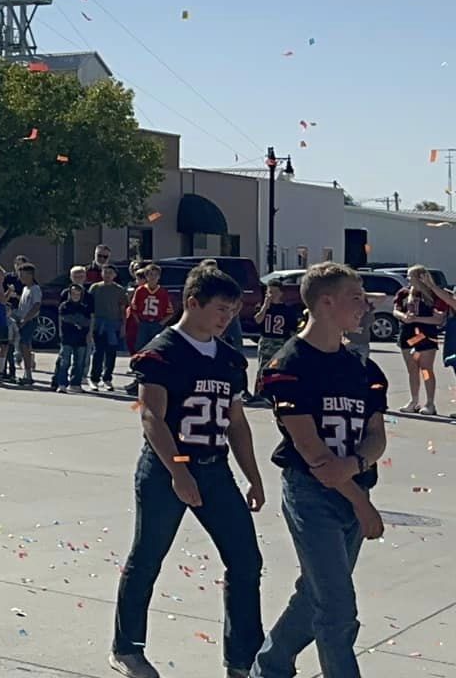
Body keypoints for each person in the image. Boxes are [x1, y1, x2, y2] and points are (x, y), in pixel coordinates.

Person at [109, 264, 265, 678]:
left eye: (233, 310)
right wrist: (179, 471)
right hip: (166, 469)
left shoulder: (231, 359)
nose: (226, 317)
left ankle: (242, 659)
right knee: (148, 557)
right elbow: (151, 419)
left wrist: (254, 475)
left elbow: (237, 422)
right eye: (219, 308)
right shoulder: (162, 351)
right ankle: (127, 648)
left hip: (215, 469)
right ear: (192, 303)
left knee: (246, 560)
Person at [254, 261, 388, 678]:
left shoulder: (363, 369)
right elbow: (312, 453)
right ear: (326, 303)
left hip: (353, 489)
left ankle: (270, 667)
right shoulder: (288, 366)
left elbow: (376, 435)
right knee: (337, 608)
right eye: (355, 297)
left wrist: (358, 464)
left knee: (316, 592)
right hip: (313, 495)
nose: (365, 305)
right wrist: (361, 503)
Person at [397, 265, 446, 413]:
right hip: (407, 335)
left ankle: (430, 403)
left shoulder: (434, 296)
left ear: (421, 278)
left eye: (410, 276)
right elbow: (396, 310)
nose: (408, 279)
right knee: (412, 370)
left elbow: (438, 319)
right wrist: (404, 317)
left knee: (426, 369)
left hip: (425, 337)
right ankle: (414, 400)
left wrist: (416, 318)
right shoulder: (404, 293)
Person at [248, 278, 303, 407]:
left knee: (277, 367)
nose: (271, 295)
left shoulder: (287, 310)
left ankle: (274, 393)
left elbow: (293, 329)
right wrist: (265, 307)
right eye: (269, 292)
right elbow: (257, 320)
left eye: (274, 292)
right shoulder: (262, 307)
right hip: (266, 340)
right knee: (262, 366)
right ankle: (258, 394)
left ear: (280, 293)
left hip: (280, 341)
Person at [88, 264, 129, 393]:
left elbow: (123, 309)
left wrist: (123, 325)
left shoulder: (119, 290)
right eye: (105, 272)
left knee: (111, 353)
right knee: (98, 352)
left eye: (110, 273)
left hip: (114, 324)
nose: (107, 275)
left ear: (114, 275)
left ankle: (107, 378)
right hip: (98, 324)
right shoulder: (95, 288)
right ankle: (94, 379)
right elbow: (89, 307)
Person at [54, 271, 92, 393]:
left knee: (79, 362)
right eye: (73, 294)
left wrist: (87, 332)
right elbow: (63, 318)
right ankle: (61, 384)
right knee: (64, 361)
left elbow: (88, 321)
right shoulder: (64, 306)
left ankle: (75, 384)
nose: (75, 296)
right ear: (69, 294)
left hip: (81, 338)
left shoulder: (85, 307)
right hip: (67, 337)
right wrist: (76, 321)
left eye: (78, 294)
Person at [12, 262, 43, 388]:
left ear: (30, 275)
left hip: (29, 321)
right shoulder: (25, 289)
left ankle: (28, 374)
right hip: (22, 319)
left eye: (23, 275)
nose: (21, 278)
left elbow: (36, 306)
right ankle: (26, 373)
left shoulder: (35, 289)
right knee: (22, 345)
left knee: (25, 345)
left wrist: (25, 319)